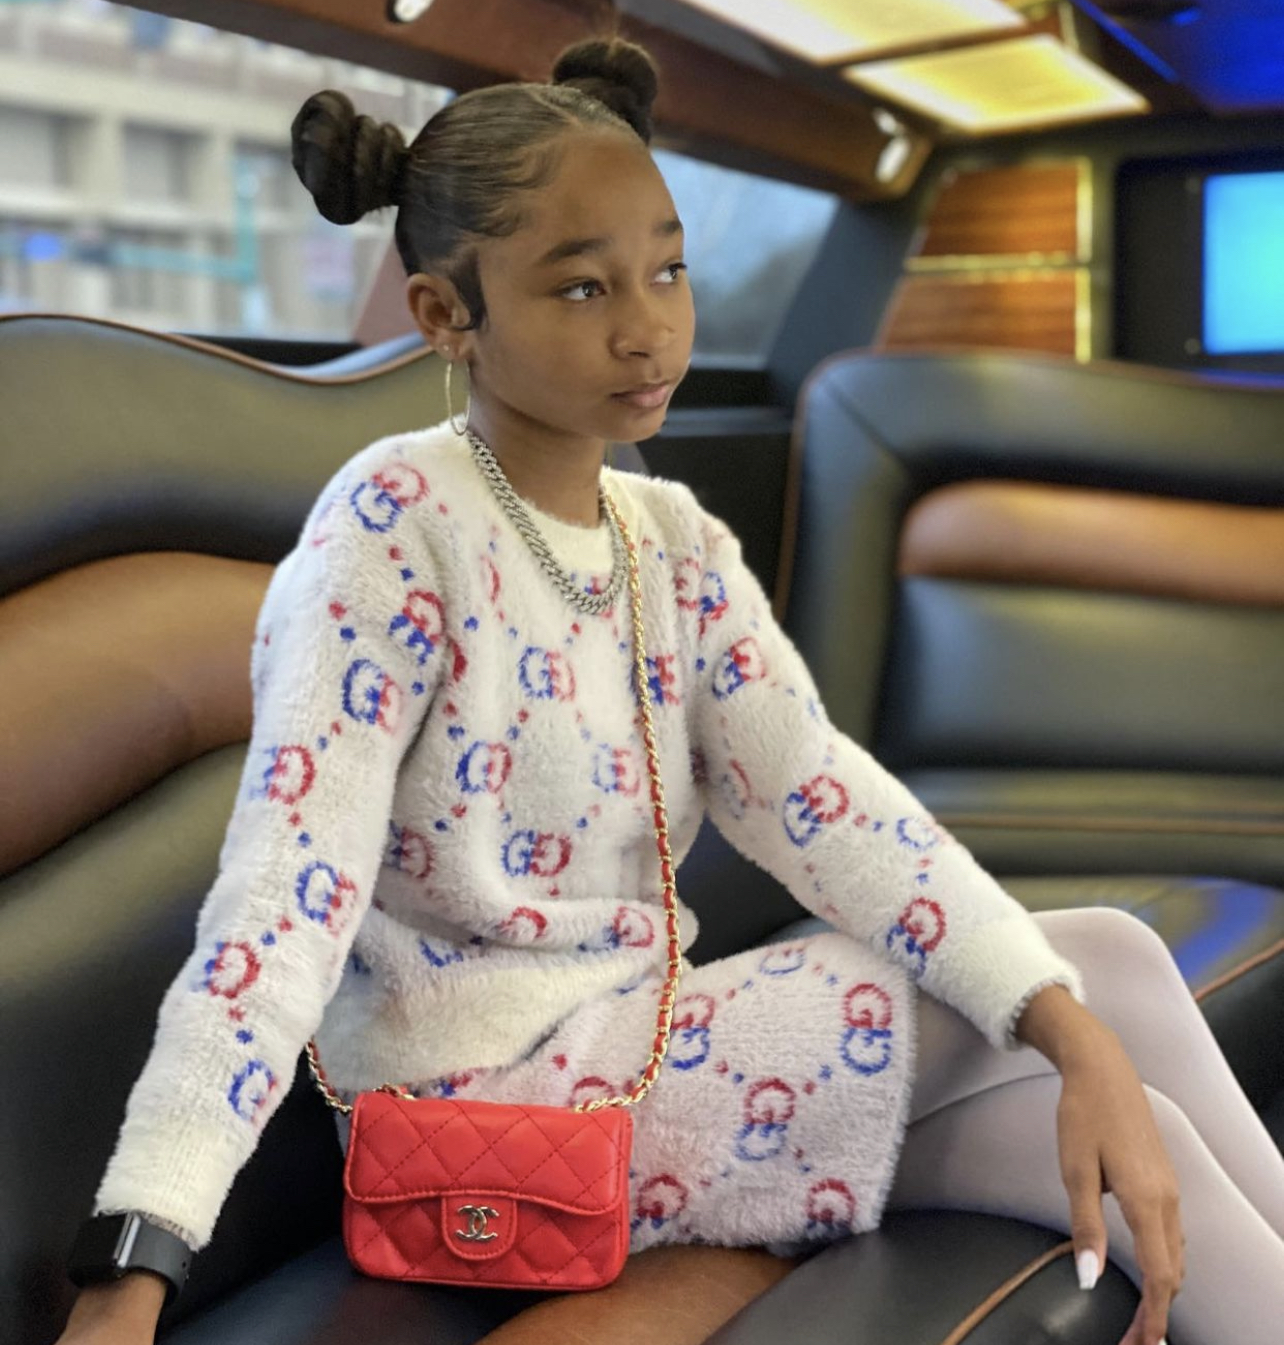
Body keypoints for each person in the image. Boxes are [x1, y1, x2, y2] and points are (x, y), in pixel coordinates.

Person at [56, 34, 1284, 1345]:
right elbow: (277, 908)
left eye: (669, 270)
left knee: (1103, 983)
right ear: (445, 315)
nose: (649, 327)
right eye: (583, 288)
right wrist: (136, 1265)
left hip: (643, 1046)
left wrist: (1071, 1035)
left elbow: (819, 799)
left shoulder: (670, 540)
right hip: (486, 1112)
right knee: (1087, 1038)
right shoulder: (388, 533)